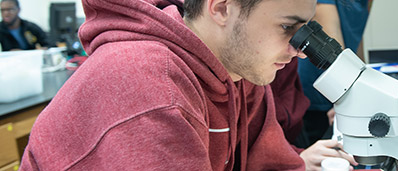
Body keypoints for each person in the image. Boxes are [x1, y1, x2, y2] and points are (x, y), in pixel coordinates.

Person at [20, 0, 352, 170]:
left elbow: (266, 162)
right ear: (221, 8)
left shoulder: (238, 73)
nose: (300, 51)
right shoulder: (147, 86)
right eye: (287, 27)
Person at [294, 0, 370, 148]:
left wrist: (363, 82)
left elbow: (356, 44)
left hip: (342, 81)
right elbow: (330, 48)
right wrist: (346, 97)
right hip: (322, 85)